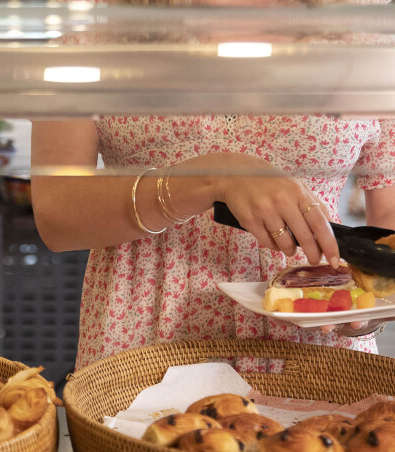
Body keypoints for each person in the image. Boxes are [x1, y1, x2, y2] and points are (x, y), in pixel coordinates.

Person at [31, 11, 395, 371]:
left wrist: (373, 307)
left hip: (317, 330)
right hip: (144, 338)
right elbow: (57, 217)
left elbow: (389, 221)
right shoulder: (94, 44)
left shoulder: (367, 49)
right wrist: (211, 180)